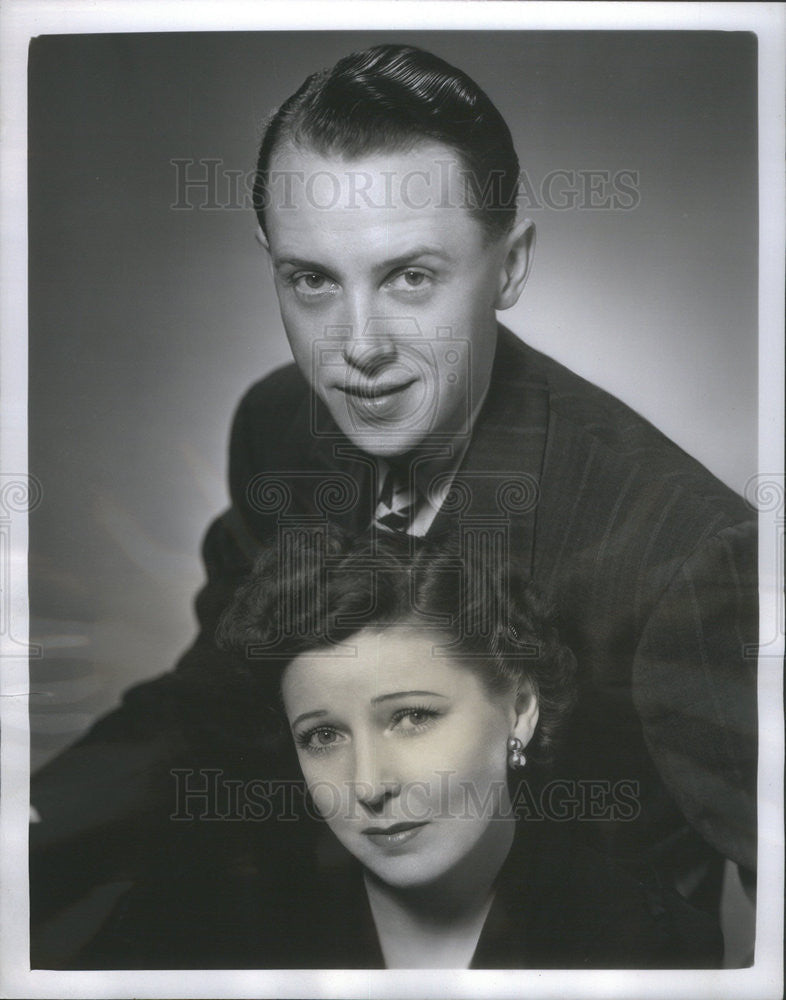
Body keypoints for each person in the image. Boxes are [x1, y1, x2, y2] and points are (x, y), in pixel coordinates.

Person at [30, 43, 757, 963]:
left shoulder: (686, 551)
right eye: (313, 281)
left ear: (512, 264)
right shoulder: (281, 427)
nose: (358, 348)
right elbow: (202, 713)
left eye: (410, 277)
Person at [58, 532, 722, 969]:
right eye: (323, 736)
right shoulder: (196, 915)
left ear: (520, 707)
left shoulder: (649, 943)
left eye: (411, 717)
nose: (369, 785)